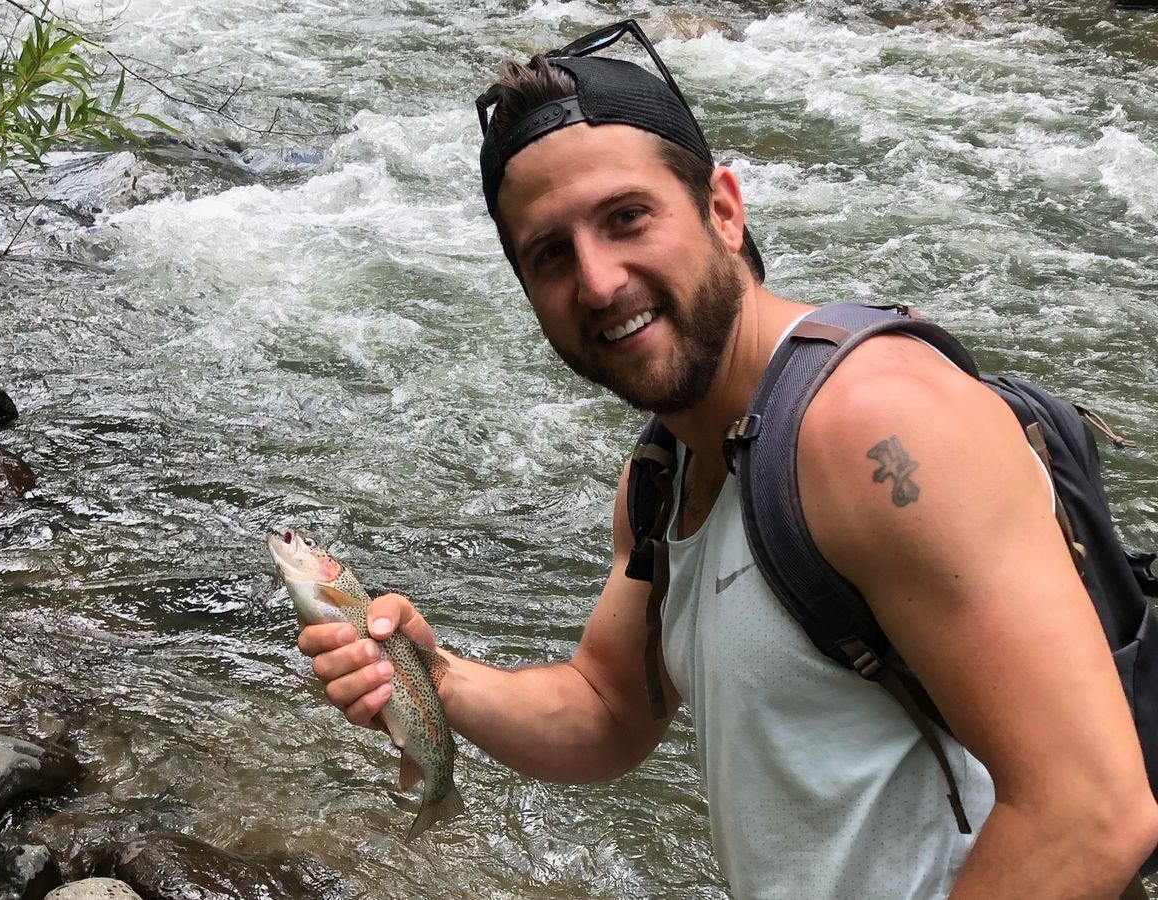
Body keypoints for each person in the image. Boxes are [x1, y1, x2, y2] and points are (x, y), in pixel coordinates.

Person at [298, 20, 1158, 899]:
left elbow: (1089, 813)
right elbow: (607, 709)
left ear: (722, 208)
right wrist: (434, 676)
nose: (599, 282)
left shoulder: (874, 423)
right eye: (551, 254)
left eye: (627, 218)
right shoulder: (663, 473)